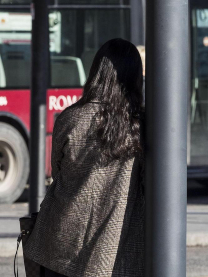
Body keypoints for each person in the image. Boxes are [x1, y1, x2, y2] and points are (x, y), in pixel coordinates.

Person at [24, 38, 145, 277]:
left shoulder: (71, 118)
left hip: (60, 242)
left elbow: (57, 172)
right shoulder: (140, 125)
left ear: (95, 73)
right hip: (115, 247)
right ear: (135, 77)